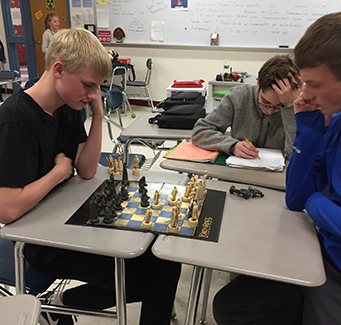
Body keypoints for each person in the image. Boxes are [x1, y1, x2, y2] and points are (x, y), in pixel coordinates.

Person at [0, 28, 181, 325]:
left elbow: (85, 169)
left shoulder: (67, 107)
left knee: (164, 260)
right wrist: (59, 173)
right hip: (41, 241)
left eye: (97, 87)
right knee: (148, 277)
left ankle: (62, 302)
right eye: (88, 85)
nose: (93, 94)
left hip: (71, 217)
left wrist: (97, 113)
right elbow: (6, 209)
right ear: (58, 69)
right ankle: (59, 304)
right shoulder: (16, 119)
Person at [213, 12, 341, 325]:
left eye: (314, 84)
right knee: (230, 305)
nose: (304, 95)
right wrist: (308, 131)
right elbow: (296, 198)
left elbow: (308, 199)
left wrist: (317, 202)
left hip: (334, 267)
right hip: (319, 250)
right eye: (304, 84)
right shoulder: (333, 122)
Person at [192, 54, 302, 160]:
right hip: (236, 173)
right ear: (258, 83)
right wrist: (232, 145)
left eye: (278, 106)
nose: (269, 111)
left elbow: (296, 155)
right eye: (264, 102)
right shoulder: (239, 96)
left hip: (274, 177)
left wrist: (289, 108)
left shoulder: (298, 106)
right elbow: (200, 131)